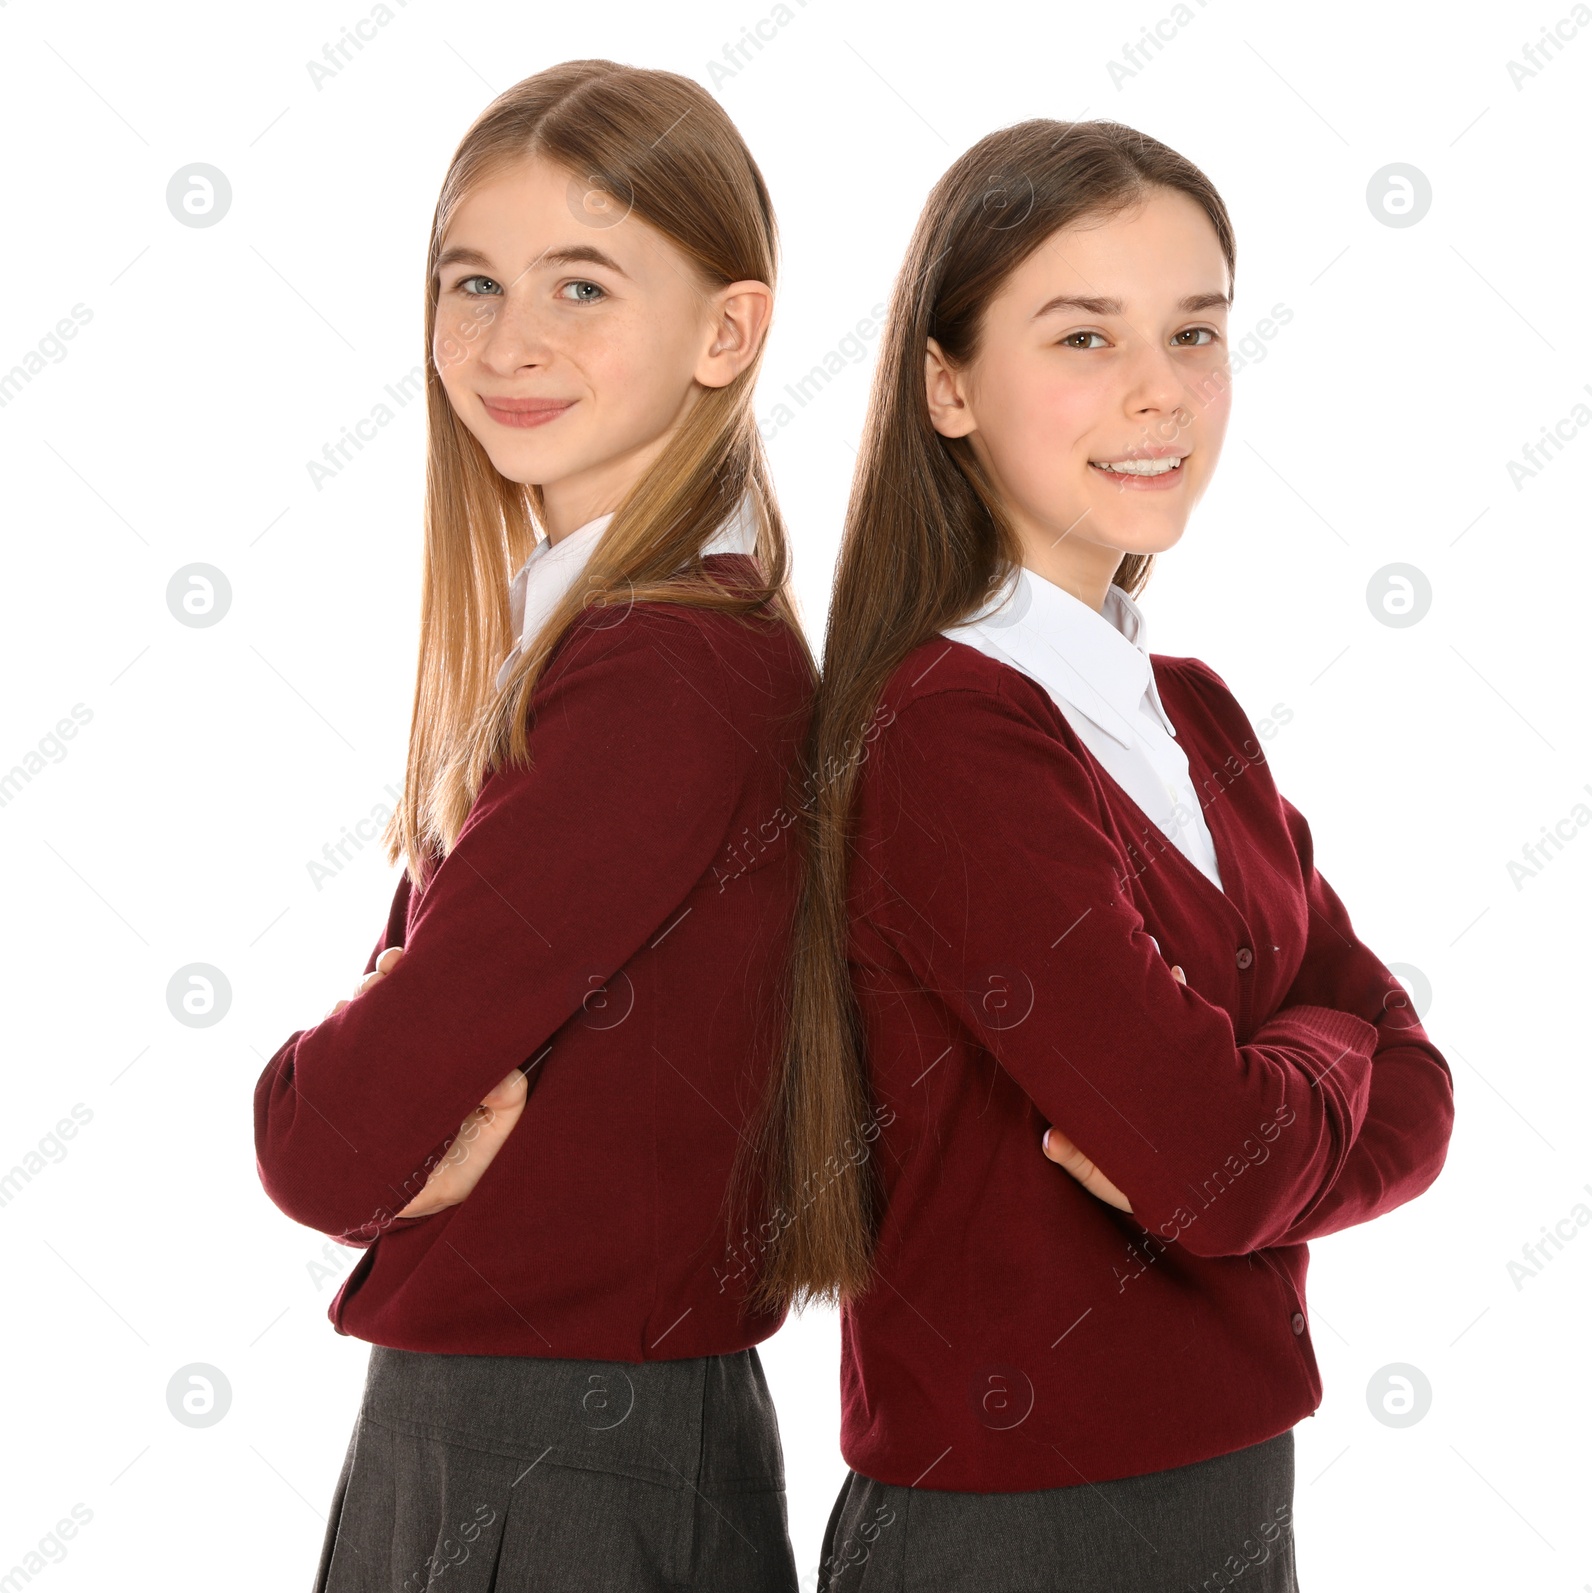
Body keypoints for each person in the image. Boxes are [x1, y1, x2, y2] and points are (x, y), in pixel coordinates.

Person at [740, 117, 1455, 1592]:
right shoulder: (945, 733)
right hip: (1019, 1530)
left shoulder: (1191, 712)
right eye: (1084, 335)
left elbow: (1422, 1088)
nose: (1160, 390)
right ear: (947, 383)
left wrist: (1280, 1082)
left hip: (1226, 1494)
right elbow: (1214, 1162)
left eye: (1195, 330)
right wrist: (1321, 1060)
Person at [253, 59, 813, 1592]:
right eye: (473, 282)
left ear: (727, 329)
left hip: (557, 1450)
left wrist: (346, 1094)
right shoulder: (601, 642)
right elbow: (389, 1099)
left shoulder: (668, 669)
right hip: (534, 1427)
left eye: (582, 285)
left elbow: (327, 1137)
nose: (510, 341)